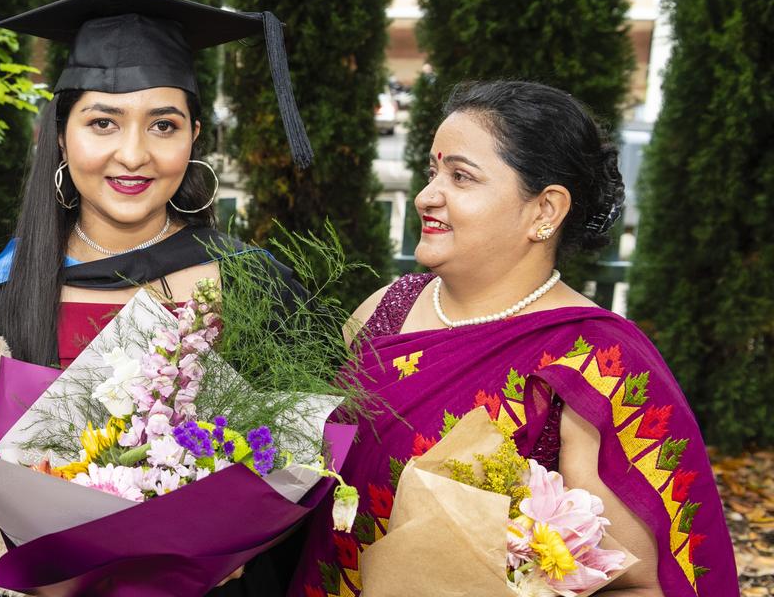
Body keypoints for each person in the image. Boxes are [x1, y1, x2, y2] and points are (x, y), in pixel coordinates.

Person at [292, 81, 738, 596]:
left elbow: (636, 584)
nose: (426, 196)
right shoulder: (384, 309)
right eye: (432, 172)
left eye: (461, 177)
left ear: (545, 210)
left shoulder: (594, 361)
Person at [0, 0, 312, 594]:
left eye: (163, 125)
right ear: (60, 135)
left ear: (195, 136)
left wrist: (236, 541)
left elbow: (304, 463)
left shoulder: (254, 285)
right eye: (103, 123)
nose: (133, 154)